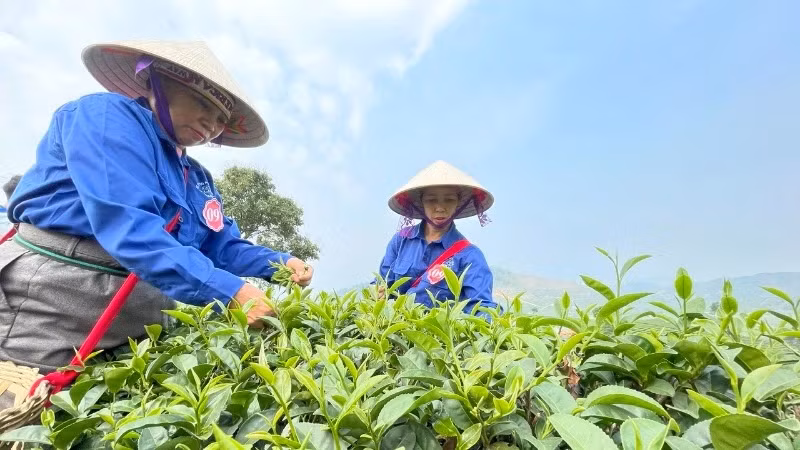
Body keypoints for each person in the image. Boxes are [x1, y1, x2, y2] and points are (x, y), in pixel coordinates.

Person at [0, 40, 313, 374]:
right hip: (58, 298)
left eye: (221, 118)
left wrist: (279, 262)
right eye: (200, 102)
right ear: (158, 83)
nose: (211, 122)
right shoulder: (106, 118)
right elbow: (128, 225)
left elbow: (218, 245)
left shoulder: (197, 178)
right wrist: (230, 291)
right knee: (27, 402)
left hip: (143, 311)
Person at [377, 160, 499, 319]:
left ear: (458, 203)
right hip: (396, 333)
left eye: (449, 200)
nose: (440, 207)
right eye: (431, 200)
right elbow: (382, 282)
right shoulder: (401, 240)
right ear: (421, 202)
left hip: (438, 340)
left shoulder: (470, 256)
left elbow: (482, 307)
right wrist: (379, 295)